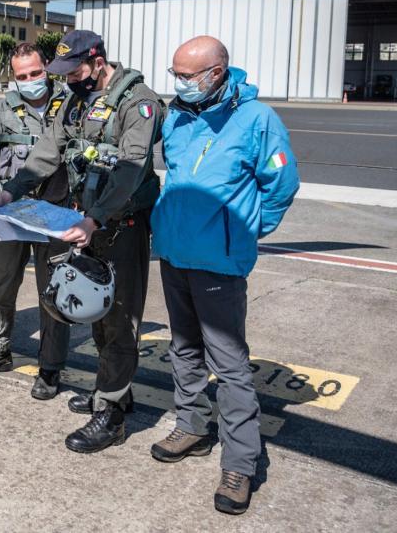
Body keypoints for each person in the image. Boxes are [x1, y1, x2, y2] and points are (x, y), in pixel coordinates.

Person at [0, 30, 163, 454]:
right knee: (97, 312)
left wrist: (95, 218)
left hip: (120, 225)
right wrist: (12, 191)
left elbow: (131, 169)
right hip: (86, 222)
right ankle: (114, 392)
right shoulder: (74, 99)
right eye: (62, 74)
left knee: (120, 318)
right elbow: (48, 151)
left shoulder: (138, 102)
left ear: (98, 60)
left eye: (76, 71)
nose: (68, 80)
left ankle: (112, 416)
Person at [150, 36, 299, 516]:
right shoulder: (178, 115)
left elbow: (282, 181)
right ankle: (192, 426)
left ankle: (240, 462)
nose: (180, 84)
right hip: (174, 254)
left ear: (217, 72)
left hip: (220, 262)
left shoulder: (258, 120)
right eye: (175, 75)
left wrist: (246, 229)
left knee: (230, 364)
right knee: (184, 349)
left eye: (187, 76)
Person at [0, 43, 71, 381]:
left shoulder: (70, 104)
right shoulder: (4, 109)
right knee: (2, 285)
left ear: (48, 67)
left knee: (54, 292)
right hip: (11, 212)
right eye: (22, 76)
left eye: (36, 73)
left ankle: (50, 367)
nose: (30, 80)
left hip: (55, 214)